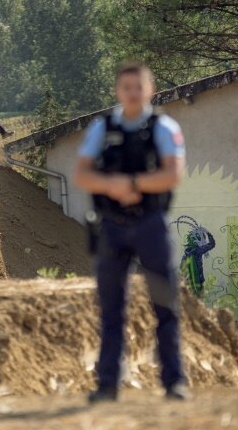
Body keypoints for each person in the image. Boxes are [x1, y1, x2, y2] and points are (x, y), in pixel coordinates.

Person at [73, 62, 189, 403]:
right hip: (111, 225)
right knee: (111, 310)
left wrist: (133, 183)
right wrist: (113, 186)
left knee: (165, 306)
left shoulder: (164, 127)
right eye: (126, 87)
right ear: (118, 91)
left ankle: (174, 383)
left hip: (151, 224)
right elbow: (81, 174)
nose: (133, 93)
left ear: (149, 89)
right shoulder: (101, 127)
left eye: (138, 87)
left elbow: (173, 174)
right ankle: (107, 386)